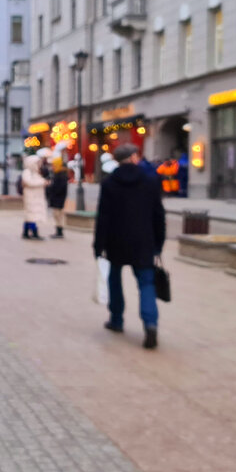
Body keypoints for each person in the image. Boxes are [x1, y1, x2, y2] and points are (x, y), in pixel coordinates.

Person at [94, 143, 166, 349]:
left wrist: (98, 246)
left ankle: (116, 320)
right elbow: (158, 215)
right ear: (134, 157)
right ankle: (150, 324)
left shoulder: (109, 183)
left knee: (114, 280)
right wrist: (158, 243)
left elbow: (103, 217)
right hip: (144, 241)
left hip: (115, 241)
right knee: (146, 284)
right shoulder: (150, 181)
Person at [20, 148, 50, 240]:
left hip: (36, 198)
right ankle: (34, 232)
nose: (39, 164)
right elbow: (30, 182)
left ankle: (26, 232)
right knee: (31, 215)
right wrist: (43, 183)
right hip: (31, 197)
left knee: (32, 215)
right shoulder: (27, 172)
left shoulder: (36, 173)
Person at [46, 155, 69, 238]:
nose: (53, 166)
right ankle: (58, 230)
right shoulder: (57, 173)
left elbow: (60, 188)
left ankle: (59, 231)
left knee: (58, 214)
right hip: (57, 198)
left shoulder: (61, 174)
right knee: (57, 214)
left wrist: (51, 189)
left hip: (58, 199)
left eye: (54, 164)